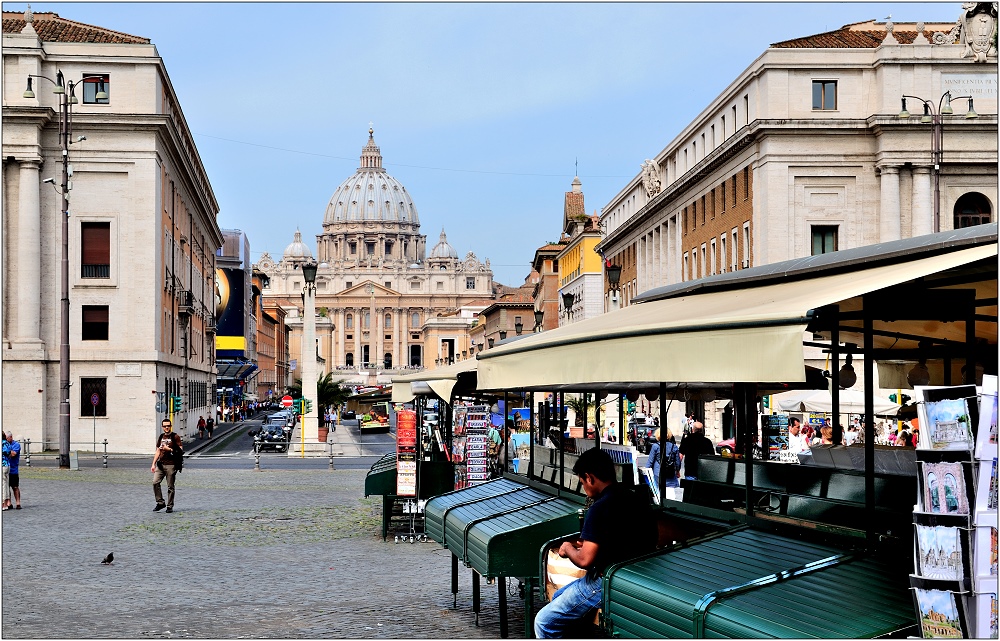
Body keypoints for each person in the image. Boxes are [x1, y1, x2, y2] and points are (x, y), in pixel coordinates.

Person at [533, 448, 656, 638]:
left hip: (607, 580)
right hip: (636, 574)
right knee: (557, 598)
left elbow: (585, 560)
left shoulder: (600, 508)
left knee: (544, 622)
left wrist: (568, 548)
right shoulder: (636, 498)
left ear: (589, 478)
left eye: (583, 482)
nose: (585, 489)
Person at [152, 419, 183, 513]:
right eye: (165, 426)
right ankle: (160, 502)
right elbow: (158, 451)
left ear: (170, 426)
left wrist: (169, 449)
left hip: (171, 464)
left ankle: (170, 506)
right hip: (161, 464)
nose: (166, 427)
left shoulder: (175, 436)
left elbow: (180, 450)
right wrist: (153, 464)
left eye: (168, 426)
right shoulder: (161, 437)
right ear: (162, 427)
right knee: (155, 482)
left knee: (170, 486)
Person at [5, 432, 21, 509]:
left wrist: (6, 450)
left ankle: (18, 503)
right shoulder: (5, 444)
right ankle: (9, 503)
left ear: (10, 437)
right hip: (6, 468)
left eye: (7, 438)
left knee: (15, 487)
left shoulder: (16, 444)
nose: (6, 440)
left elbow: (13, 454)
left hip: (14, 469)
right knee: (7, 487)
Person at [1, 436, 10, 511]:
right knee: (6, 484)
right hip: (7, 465)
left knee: (2, 485)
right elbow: (9, 453)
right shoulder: (7, 443)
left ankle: (3, 503)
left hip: (2, 465)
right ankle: (7, 502)